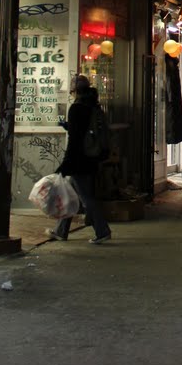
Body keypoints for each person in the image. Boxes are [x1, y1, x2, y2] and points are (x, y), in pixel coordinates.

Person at [48, 74, 112, 244]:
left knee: (85, 198)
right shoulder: (93, 106)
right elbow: (84, 131)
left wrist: (66, 164)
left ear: (74, 90)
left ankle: (102, 230)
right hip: (91, 157)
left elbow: (76, 138)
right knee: (72, 195)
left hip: (79, 160)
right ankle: (61, 230)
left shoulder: (77, 108)